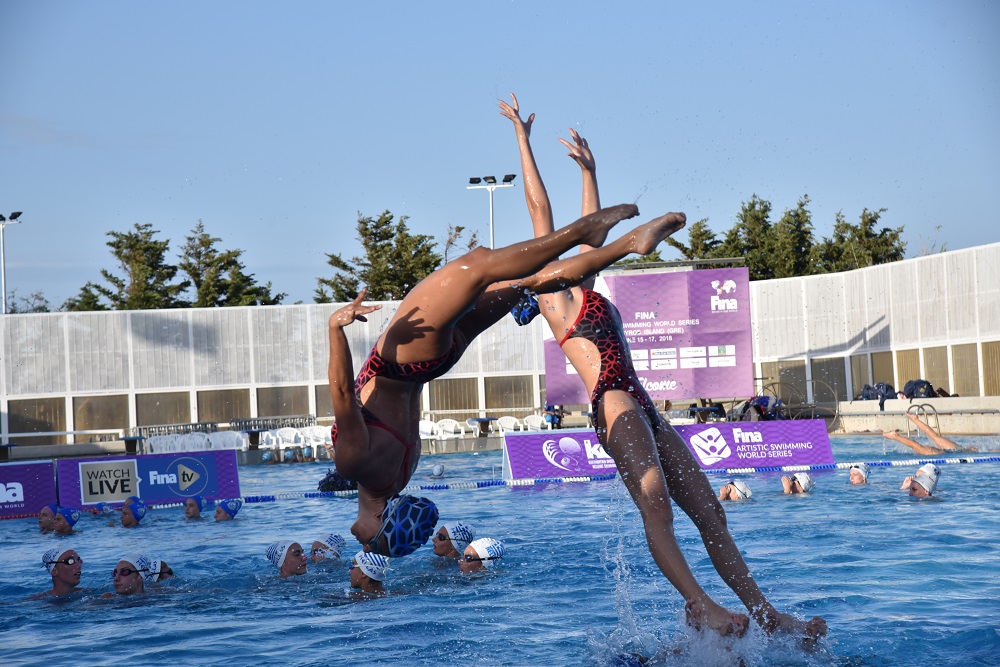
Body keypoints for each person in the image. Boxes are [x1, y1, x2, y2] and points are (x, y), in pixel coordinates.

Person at [499, 93, 825, 643]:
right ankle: (702, 605)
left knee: (711, 513)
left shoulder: (585, 283)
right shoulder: (552, 290)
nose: (573, 249)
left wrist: (589, 171)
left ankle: (767, 614)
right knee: (656, 506)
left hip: (644, 404)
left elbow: (592, 231)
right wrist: (522, 139)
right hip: (612, 402)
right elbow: (543, 216)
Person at [328, 177, 660, 558]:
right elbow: (342, 392)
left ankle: (625, 246)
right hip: (405, 356)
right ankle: (583, 232)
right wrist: (335, 328)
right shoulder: (354, 464)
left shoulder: (400, 475)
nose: (363, 543)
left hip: (433, 363)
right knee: (478, 266)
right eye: (372, 541)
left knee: (528, 283)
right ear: (382, 517)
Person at [883, 413, 976, 456]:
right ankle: (896, 436)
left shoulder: (970, 451)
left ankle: (915, 420)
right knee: (920, 447)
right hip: (953, 452)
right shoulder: (971, 452)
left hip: (955, 450)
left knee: (933, 438)